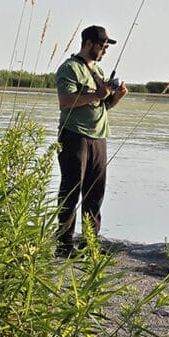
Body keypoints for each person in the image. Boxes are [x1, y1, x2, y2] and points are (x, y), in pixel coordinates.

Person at [53, 24, 127, 253]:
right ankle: (64, 245)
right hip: (74, 136)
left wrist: (116, 96)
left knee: (95, 193)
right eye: (102, 46)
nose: (104, 51)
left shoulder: (100, 73)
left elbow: (105, 105)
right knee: (71, 190)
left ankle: (89, 244)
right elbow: (65, 101)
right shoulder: (69, 68)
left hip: (99, 137)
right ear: (88, 44)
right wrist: (96, 94)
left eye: (106, 47)